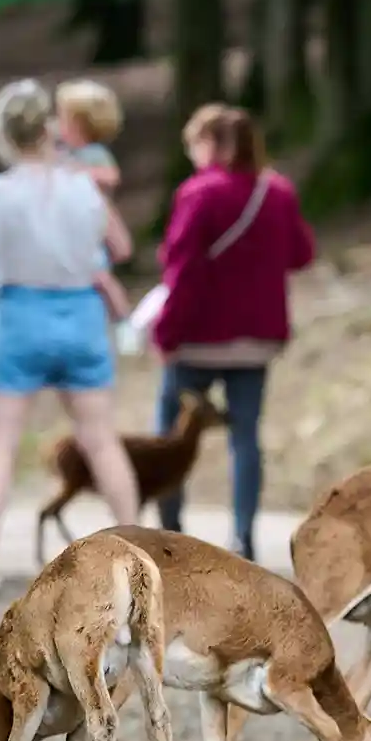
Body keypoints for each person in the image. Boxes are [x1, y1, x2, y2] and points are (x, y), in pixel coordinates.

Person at [0, 79, 140, 582]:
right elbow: (121, 245)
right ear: (48, 128)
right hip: (80, 314)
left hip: (17, 313)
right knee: (101, 440)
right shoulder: (82, 185)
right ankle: (139, 549)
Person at [151, 105, 316, 562]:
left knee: (170, 436)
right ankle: (242, 536)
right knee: (245, 436)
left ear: (213, 145)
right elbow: (301, 253)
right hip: (255, 342)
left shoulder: (198, 193)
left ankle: (171, 533)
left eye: (195, 147)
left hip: (197, 340)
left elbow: (181, 271)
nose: (193, 157)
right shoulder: (277, 192)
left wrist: (165, 334)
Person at [54, 78, 132, 327]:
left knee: (102, 276)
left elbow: (111, 176)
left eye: (63, 119)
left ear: (82, 125)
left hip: (95, 228)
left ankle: (124, 320)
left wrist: (80, 173)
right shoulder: (65, 153)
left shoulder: (94, 154)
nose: (58, 125)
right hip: (74, 228)